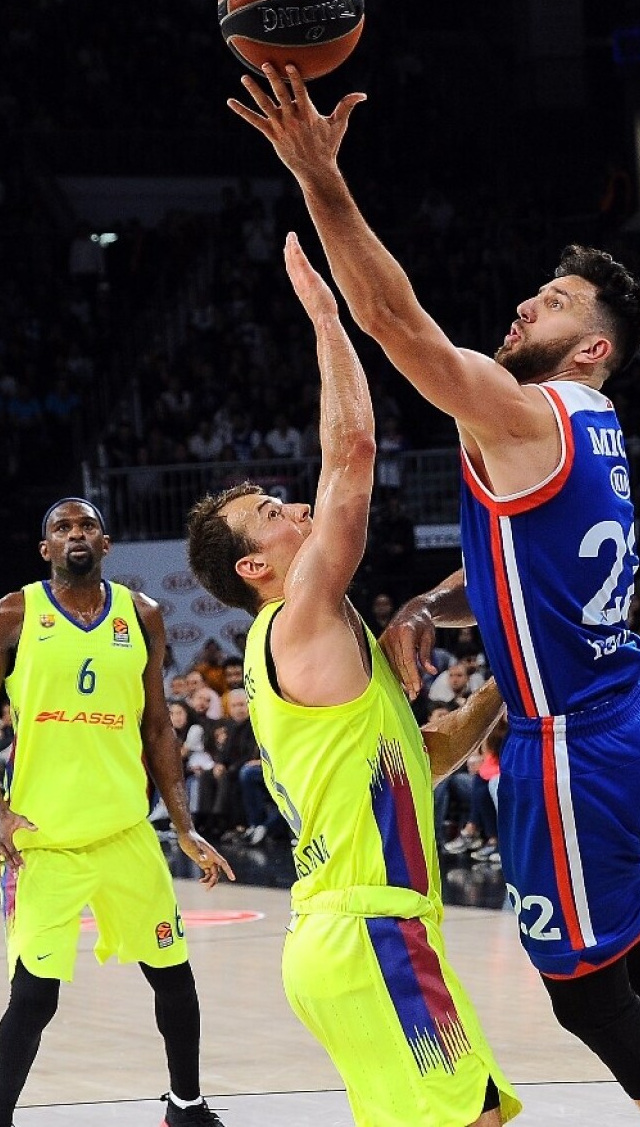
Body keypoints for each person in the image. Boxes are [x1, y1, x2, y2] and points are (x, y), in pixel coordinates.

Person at [231, 62, 640, 1127]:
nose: (528, 302)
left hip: (570, 739)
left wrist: (318, 178)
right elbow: (518, 577)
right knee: (610, 938)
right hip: (615, 710)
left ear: (594, 346)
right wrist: (433, 609)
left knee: (579, 990)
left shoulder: (530, 415)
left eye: (555, 301)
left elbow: (396, 324)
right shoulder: (587, 429)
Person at [186, 243, 519, 1127]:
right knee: (475, 1119)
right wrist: (331, 321)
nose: (296, 506)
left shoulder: (317, 648)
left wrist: (508, 685)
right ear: (256, 565)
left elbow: (426, 754)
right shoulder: (296, 618)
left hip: (348, 939)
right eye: (272, 515)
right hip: (374, 932)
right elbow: (355, 451)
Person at [0, 498, 235, 1127]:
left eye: (86, 526)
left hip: (124, 832)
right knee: (33, 998)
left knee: (173, 976)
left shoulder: (144, 616)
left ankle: (185, 1106)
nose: (75, 534)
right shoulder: (12, 615)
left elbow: (158, 727)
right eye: (62, 527)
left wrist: (183, 825)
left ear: (106, 544)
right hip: (42, 840)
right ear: (45, 549)